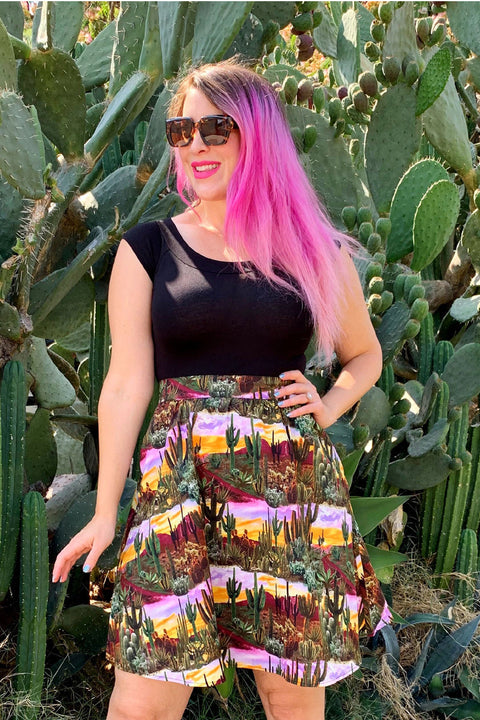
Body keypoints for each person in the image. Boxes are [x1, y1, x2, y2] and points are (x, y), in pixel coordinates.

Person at [52, 60, 391, 720]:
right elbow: (126, 382)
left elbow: (366, 355)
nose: (196, 145)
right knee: (142, 701)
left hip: (288, 494)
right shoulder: (148, 248)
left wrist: (328, 405)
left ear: (256, 134)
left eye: (216, 128)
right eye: (182, 130)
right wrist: (105, 510)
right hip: (180, 487)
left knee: (290, 697)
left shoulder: (312, 249)